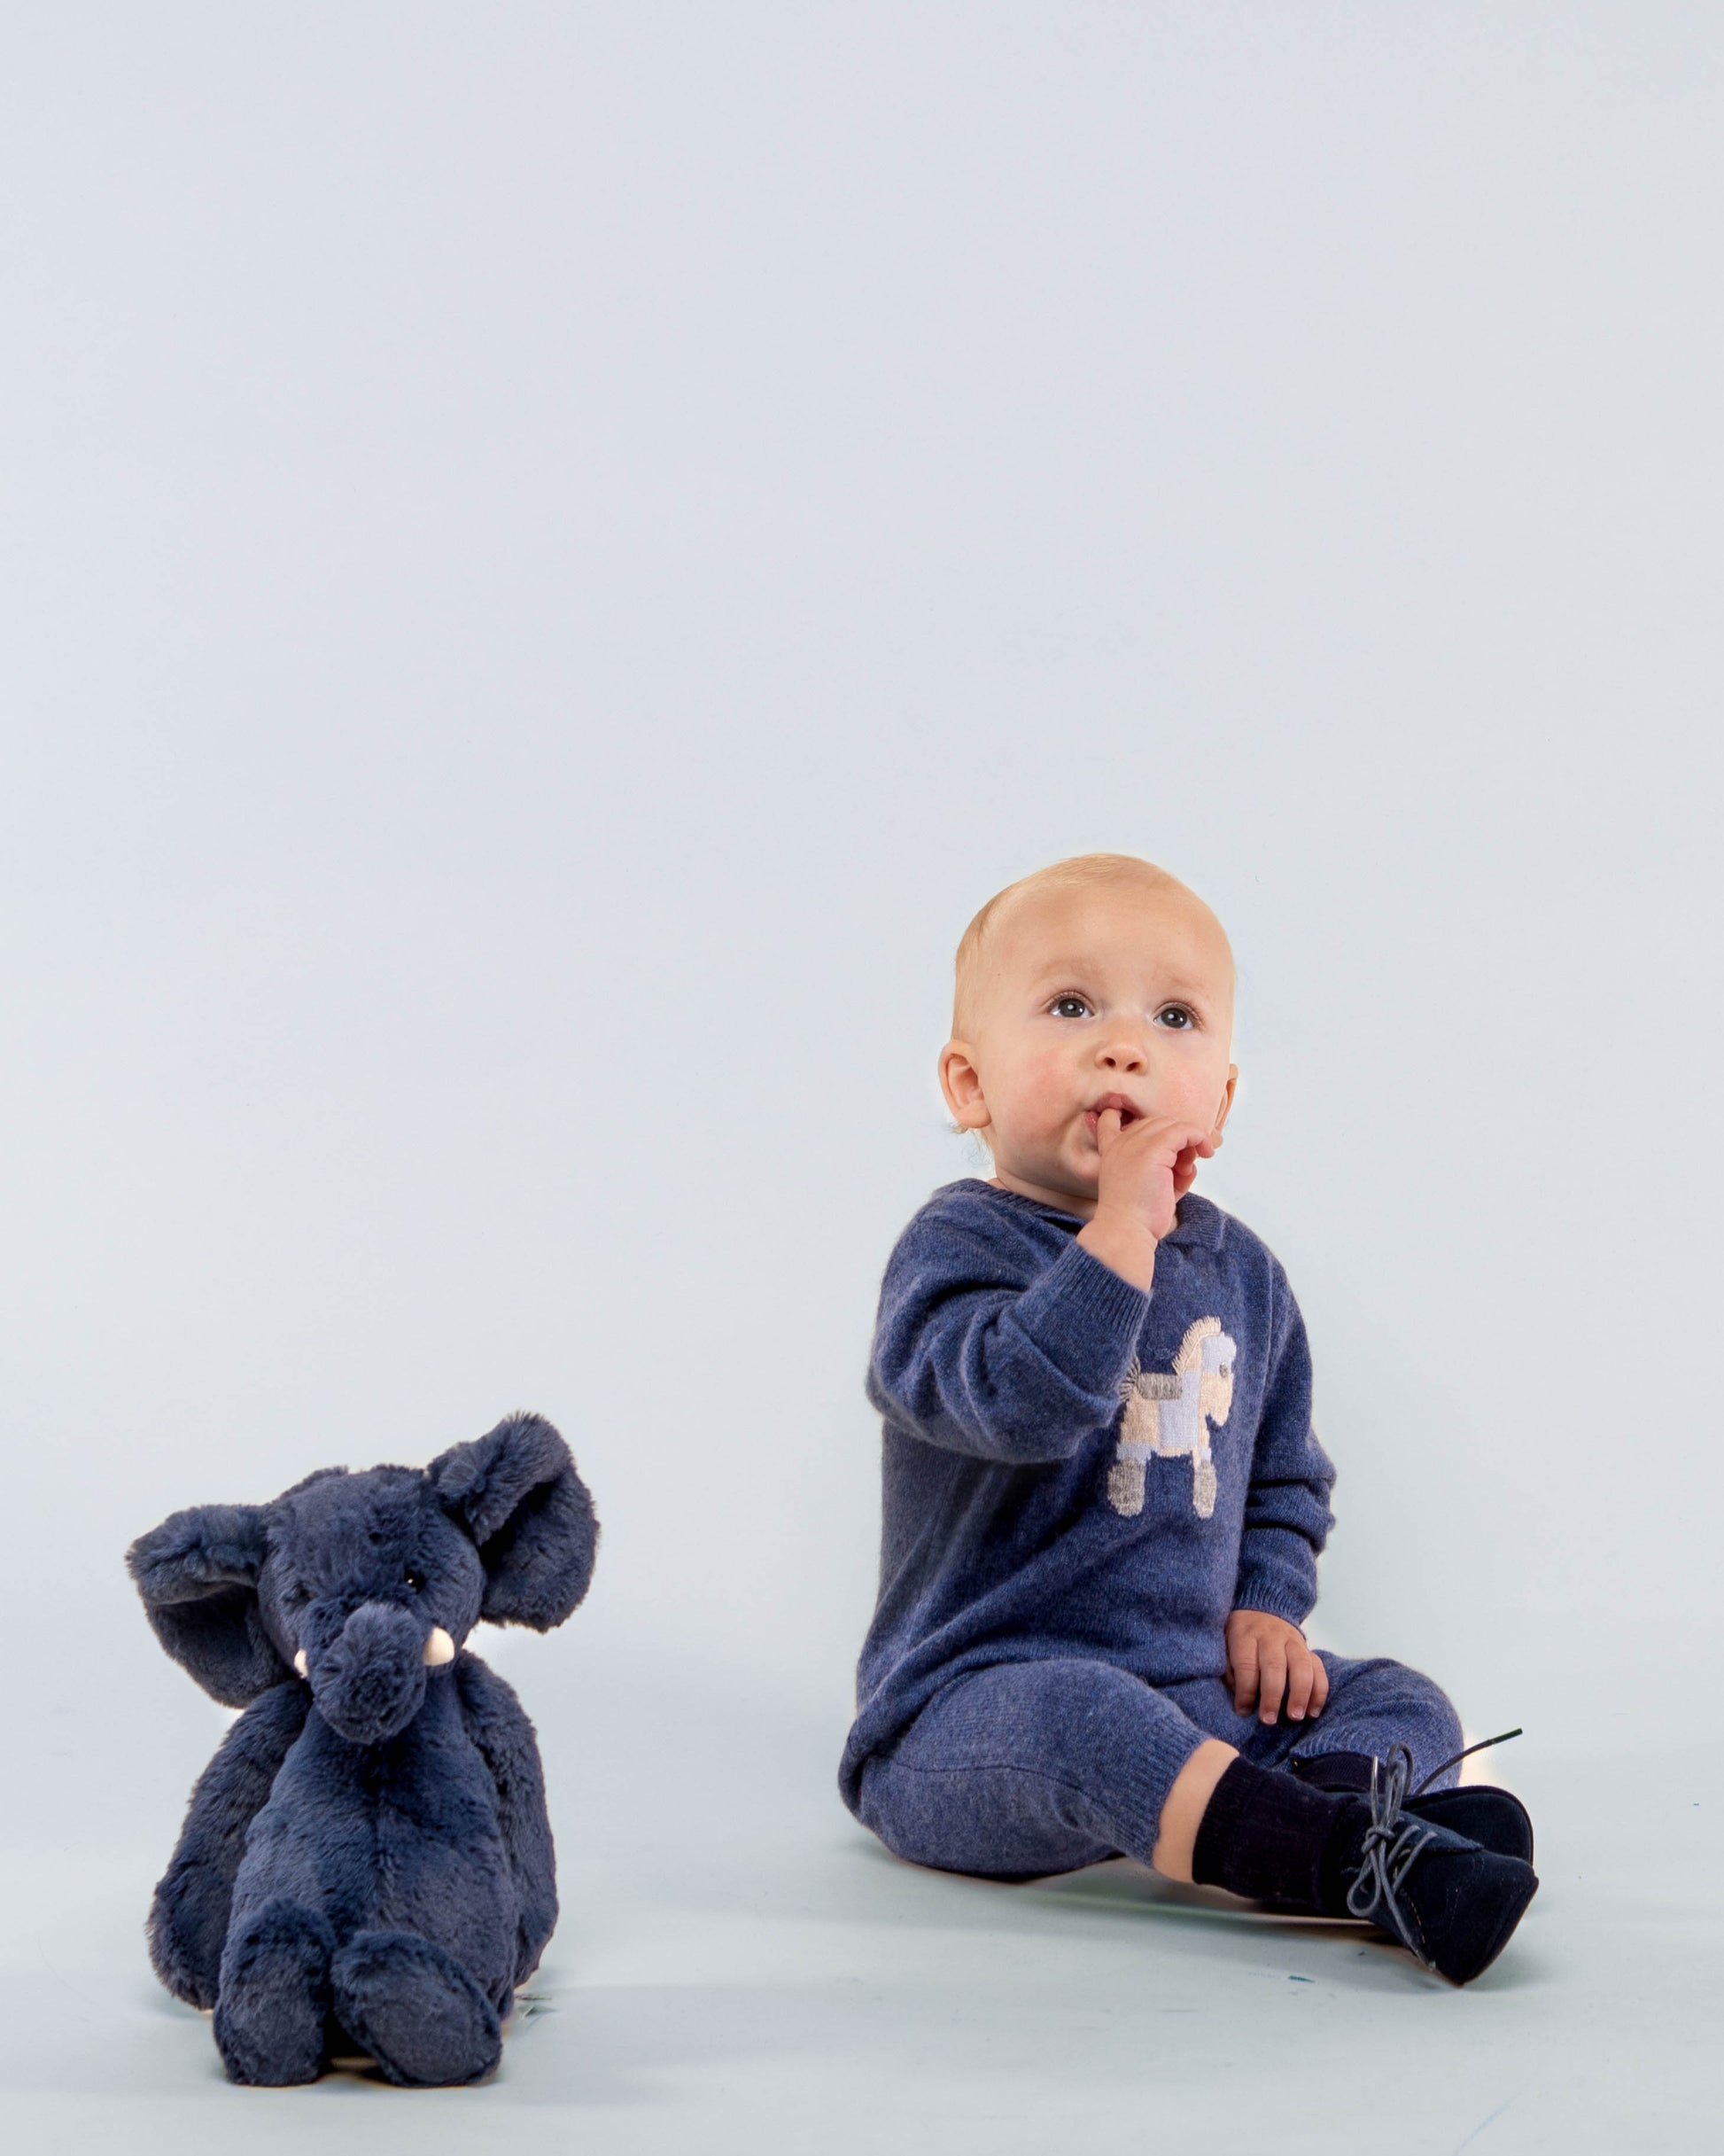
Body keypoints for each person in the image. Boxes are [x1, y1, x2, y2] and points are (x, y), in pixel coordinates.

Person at [839, 852, 1536, 1984]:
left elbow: (1282, 1479)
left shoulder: (1242, 1274)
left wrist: (1266, 1606)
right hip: (974, 1716)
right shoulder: (956, 1247)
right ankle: (1332, 1857)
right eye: (1071, 1006)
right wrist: (1119, 1231)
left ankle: (1354, 1831)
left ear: (1216, 1100)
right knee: (1086, 1717)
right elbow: (1017, 1405)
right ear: (968, 1087)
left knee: (1399, 1696)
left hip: (1200, 1699)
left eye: (1173, 1018)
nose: (1124, 1047)